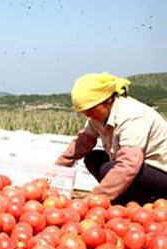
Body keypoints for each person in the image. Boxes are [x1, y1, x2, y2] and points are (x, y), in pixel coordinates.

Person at [55, 72, 167, 205]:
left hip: (161, 173)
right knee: (93, 158)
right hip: (140, 170)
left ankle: (139, 200)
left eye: (90, 109)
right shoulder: (98, 116)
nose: (87, 115)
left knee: (109, 168)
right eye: (83, 111)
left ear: (108, 100)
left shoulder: (132, 116)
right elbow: (83, 142)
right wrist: (56, 170)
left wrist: (94, 199)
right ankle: (127, 199)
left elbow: (129, 164)